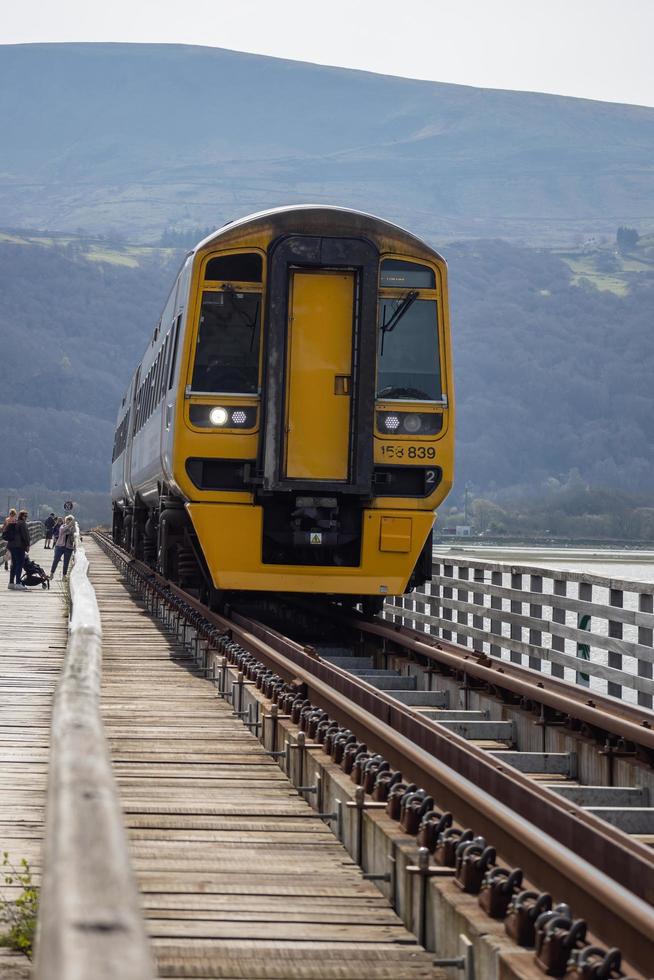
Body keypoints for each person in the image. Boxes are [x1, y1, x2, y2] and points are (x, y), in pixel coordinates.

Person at [7, 510, 30, 591]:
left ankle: (11, 583)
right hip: (19, 546)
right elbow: (25, 535)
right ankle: (17, 583)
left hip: (11, 545)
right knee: (19, 564)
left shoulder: (15, 522)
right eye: (25, 516)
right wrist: (27, 545)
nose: (26, 518)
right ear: (22, 516)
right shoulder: (22, 523)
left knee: (14, 564)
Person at [50, 515, 75, 579]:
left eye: (70, 520)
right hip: (59, 546)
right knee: (56, 560)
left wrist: (72, 529)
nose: (69, 521)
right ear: (65, 520)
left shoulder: (72, 528)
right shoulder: (62, 526)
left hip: (68, 547)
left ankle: (64, 575)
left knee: (66, 562)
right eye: (68, 520)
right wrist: (69, 525)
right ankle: (52, 573)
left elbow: (73, 537)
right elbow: (63, 530)